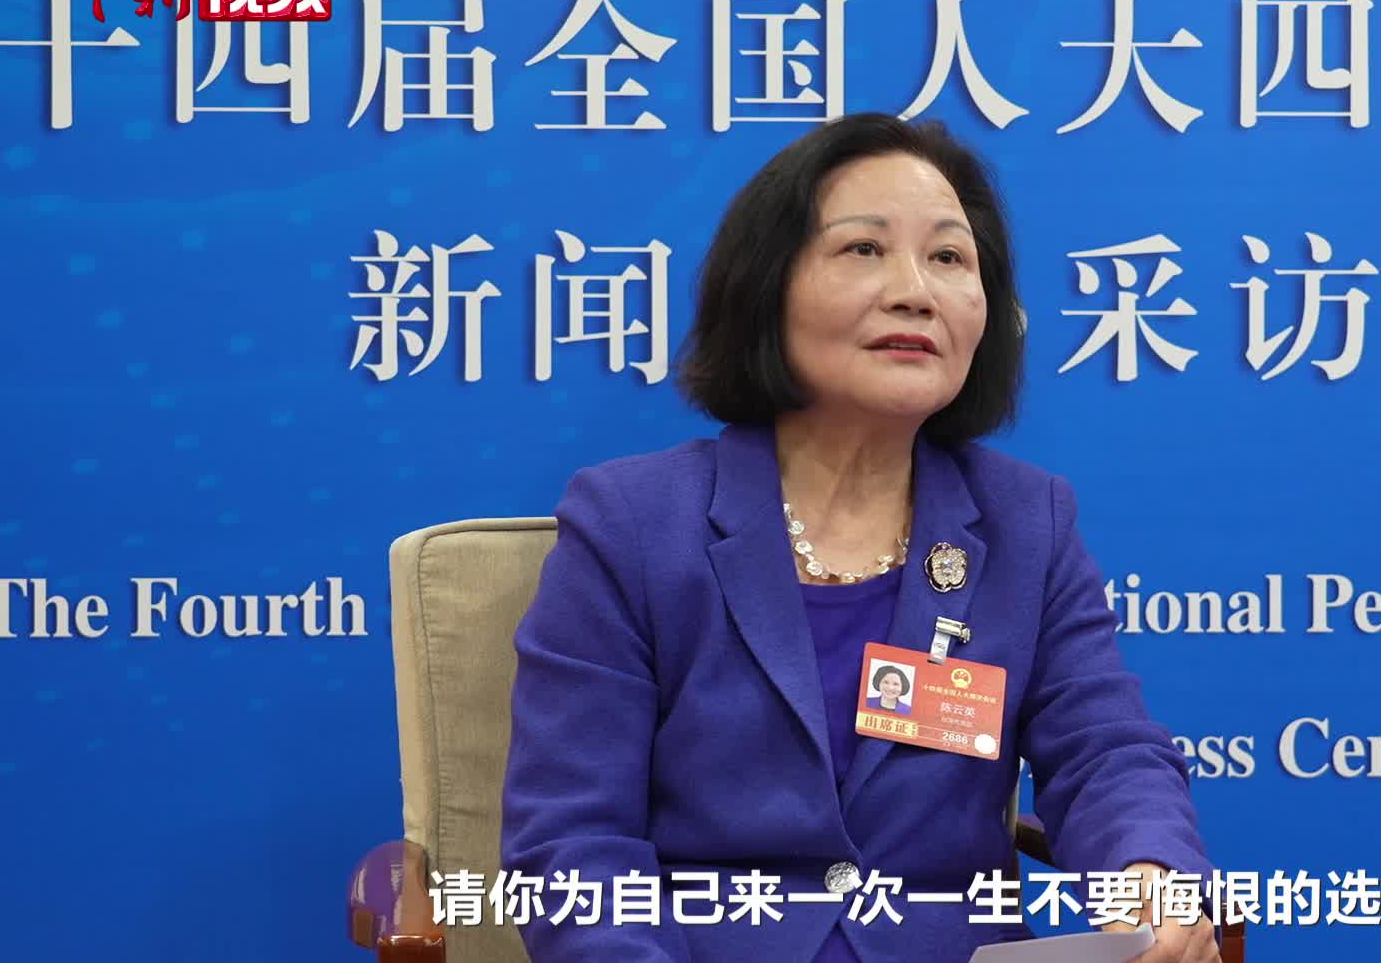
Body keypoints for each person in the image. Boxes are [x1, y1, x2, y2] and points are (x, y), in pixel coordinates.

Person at [500, 113, 1216, 963]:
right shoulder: (633, 521)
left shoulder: (1028, 521)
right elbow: (572, 843)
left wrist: (1149, 871)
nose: (915, 291)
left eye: (949, 258)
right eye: (864, 249)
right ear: (767, 287)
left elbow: (1106, 750)